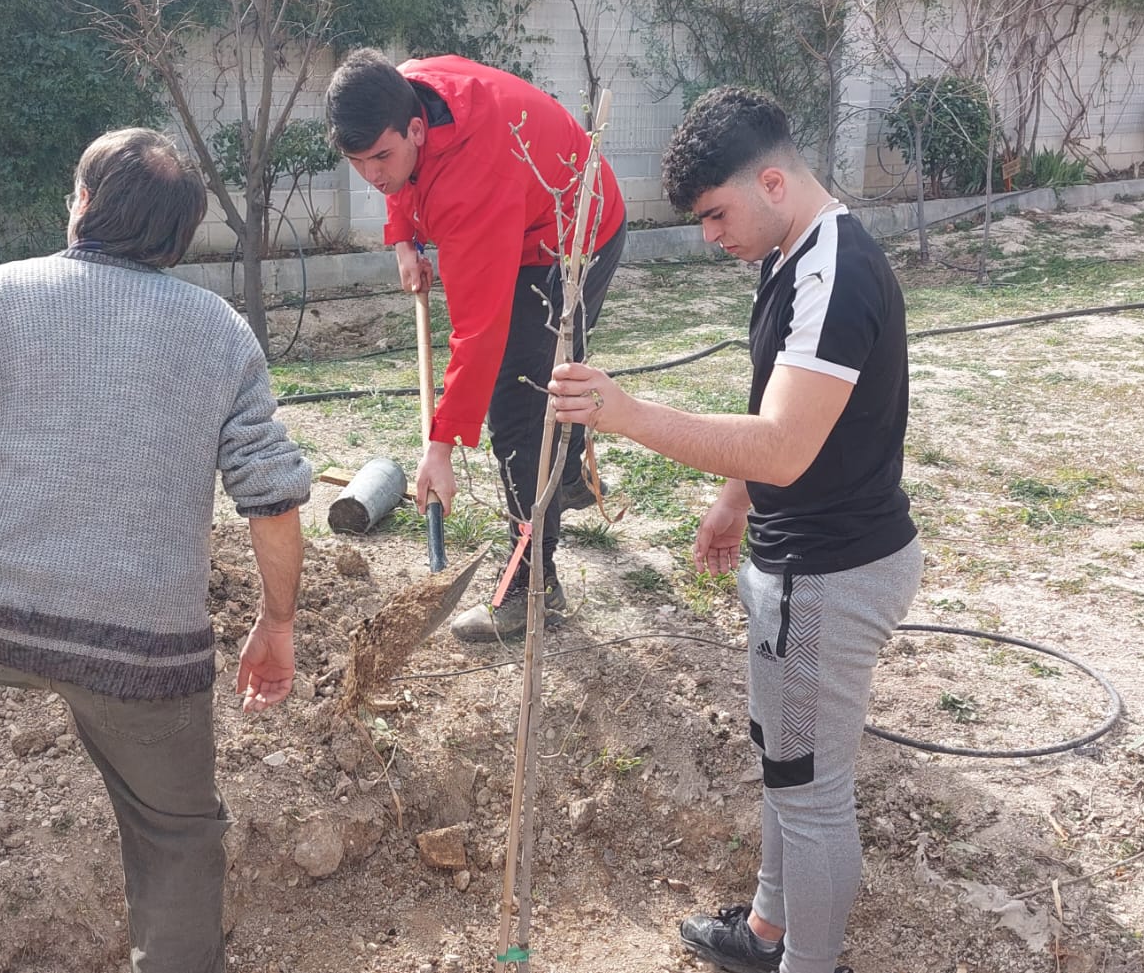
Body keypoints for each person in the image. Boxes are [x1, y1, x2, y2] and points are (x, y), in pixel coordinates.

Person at [0, 128, 309, 973]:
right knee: (178, 832)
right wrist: (277, 622)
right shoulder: (219, 333)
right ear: (176, 237)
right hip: (145, 652)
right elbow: (270, 503)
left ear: (82, 204)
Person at [548, 87, 919, 973]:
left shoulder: (835, 274)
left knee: (814, 795)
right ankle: (766, 930)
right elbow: (779, 406)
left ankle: (807, 961)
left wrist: (626, 412)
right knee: (786, 767)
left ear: (773, 180)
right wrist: (733, 496)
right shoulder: (797, 252)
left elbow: (787, 445)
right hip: (802, 560)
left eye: (716, 213)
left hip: (826, 577)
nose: (711, 236)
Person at [324, 48, 624, 642]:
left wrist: (439, 446)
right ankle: (567, 482)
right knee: (542, 384)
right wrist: (404, 238)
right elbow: (398, 179)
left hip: (573, 235)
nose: (373, 174)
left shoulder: (471, 183)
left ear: (415, 129)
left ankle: (532, 590)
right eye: (358, 163)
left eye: (381, 157)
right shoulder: (402, 91)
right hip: (530, 209)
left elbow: (478, 334)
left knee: (518, 403)